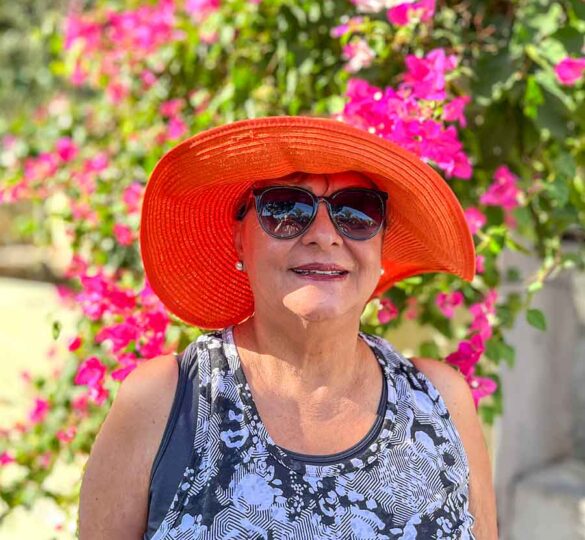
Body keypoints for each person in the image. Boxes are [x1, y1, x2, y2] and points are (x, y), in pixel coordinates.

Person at [78, 115, 498, 539]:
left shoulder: (440, 401)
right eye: (284, 208)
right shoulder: (165, 400)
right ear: (240, 238)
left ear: (381, 245)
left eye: (356, 211)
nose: (323, 235)